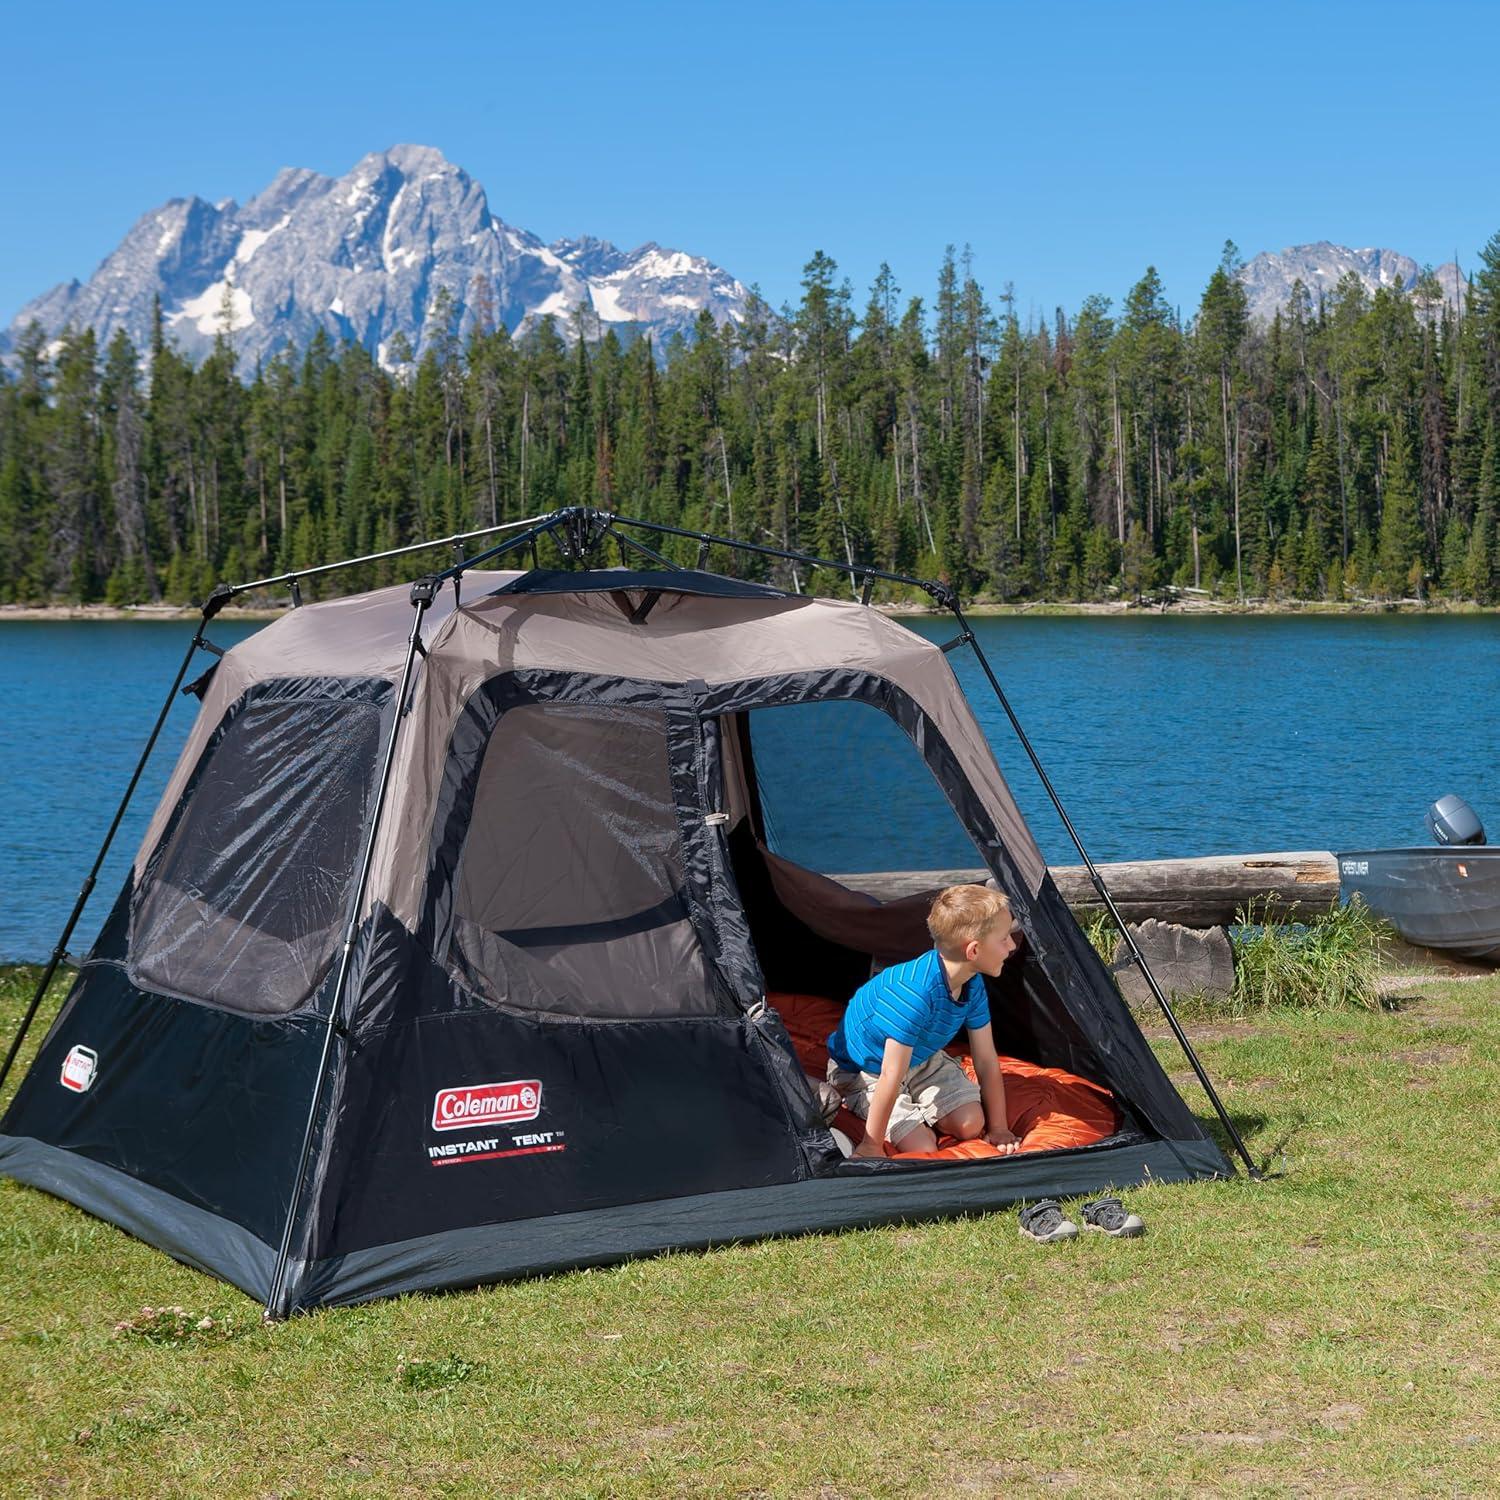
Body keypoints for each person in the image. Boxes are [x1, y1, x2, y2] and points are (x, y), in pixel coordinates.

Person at [827, 883, 1020, 1159]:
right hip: (865, 1069)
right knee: (922, 1147)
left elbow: (986, 1059)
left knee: (971, 1124)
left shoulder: (971, 983)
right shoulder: (914, 994)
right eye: (1004, 939)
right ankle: (862, 1103)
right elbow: (890, 1073)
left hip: (920, 1058)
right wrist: (871, 1145)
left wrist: (999, 1127)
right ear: (973, 951)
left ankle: (922, 1105)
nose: (1012, 946)